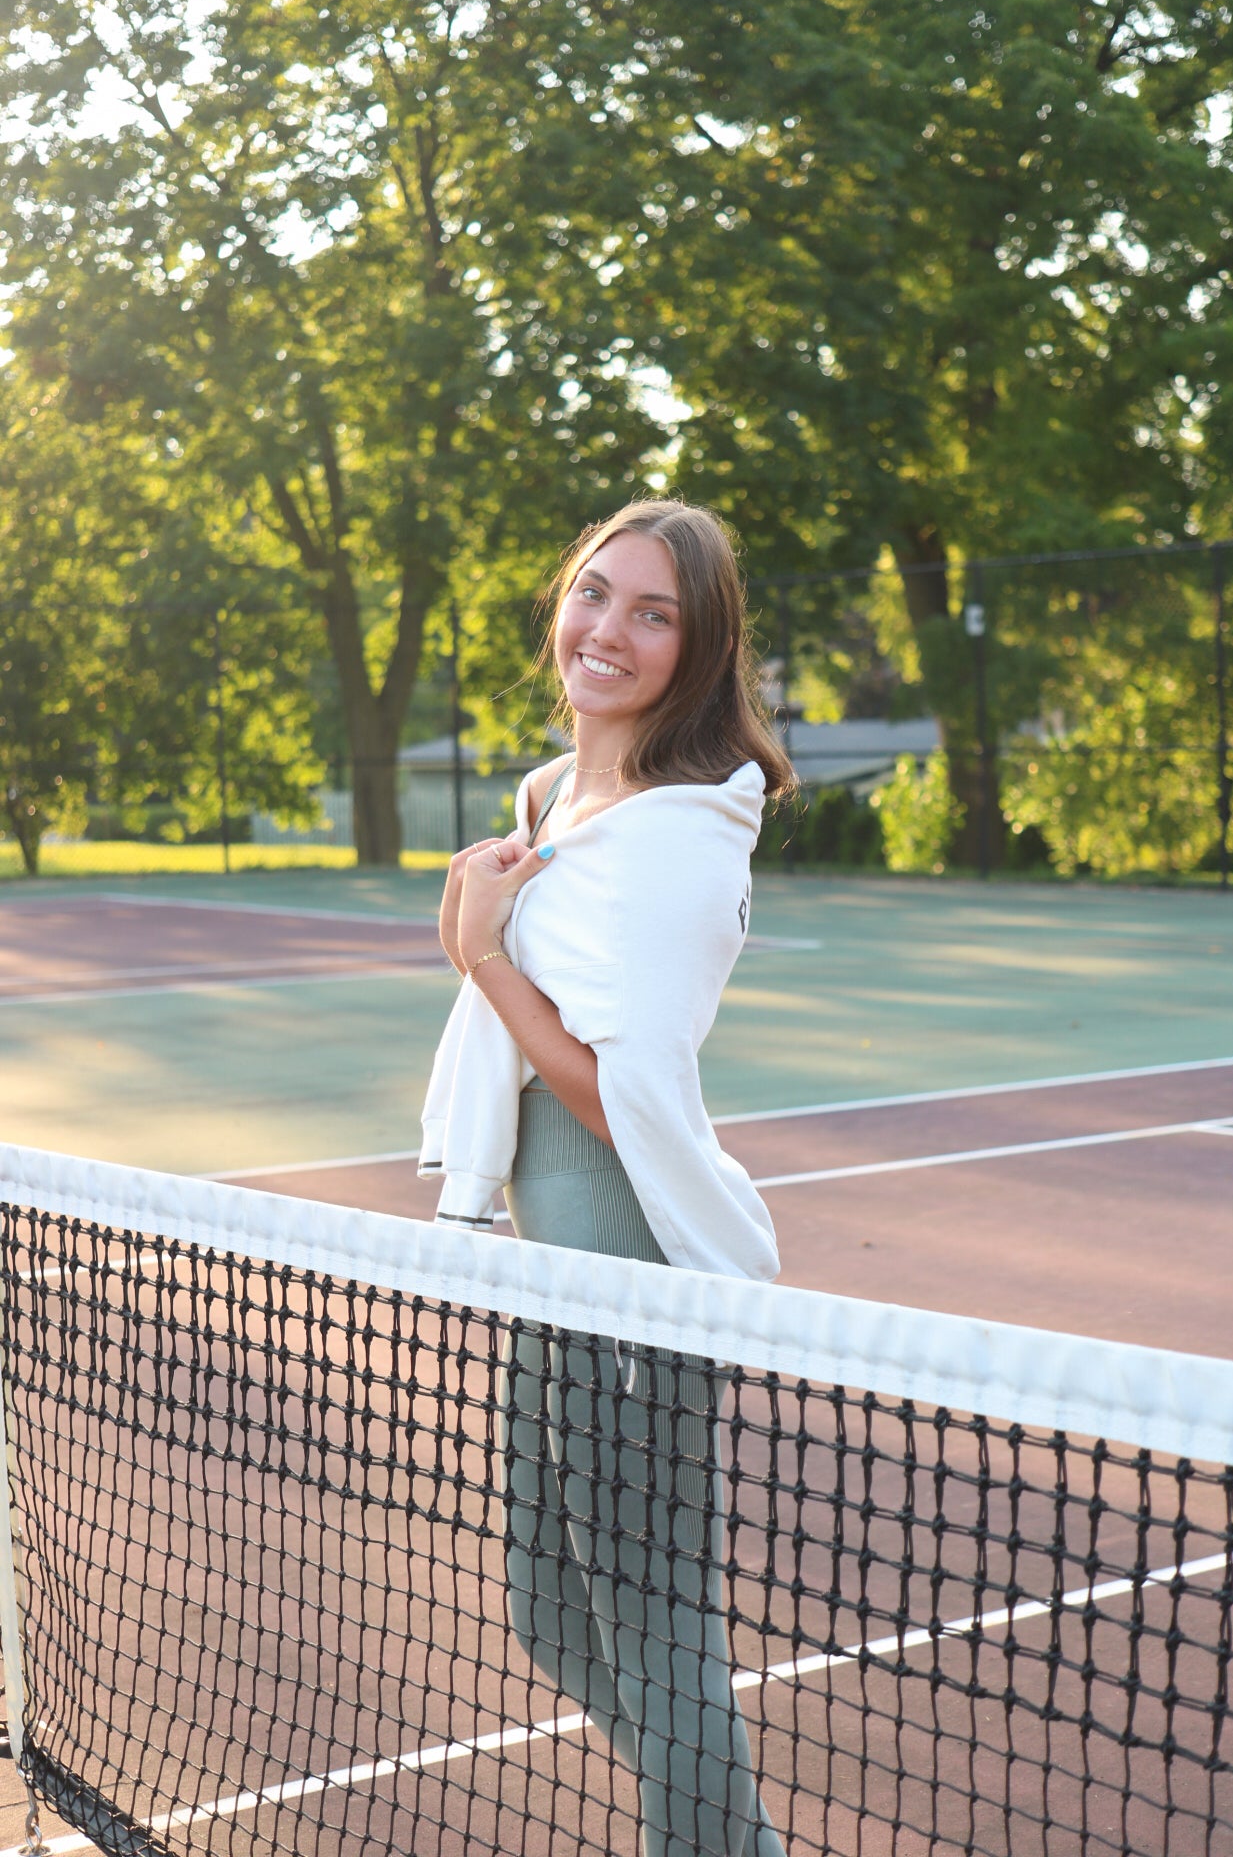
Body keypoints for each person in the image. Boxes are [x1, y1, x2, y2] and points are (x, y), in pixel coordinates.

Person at [419, 498, 794, 1857]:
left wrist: (485, 955)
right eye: (595, 594)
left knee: (646, 1605)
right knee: (549, 1607)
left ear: (699, 651)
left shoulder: (684, 833)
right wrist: (491, 938)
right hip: (549, 1244)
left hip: (624, 1242)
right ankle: (730, 1837)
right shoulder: (548, 796)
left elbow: (620, 1097)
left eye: (654, 614)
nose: (608, 631)